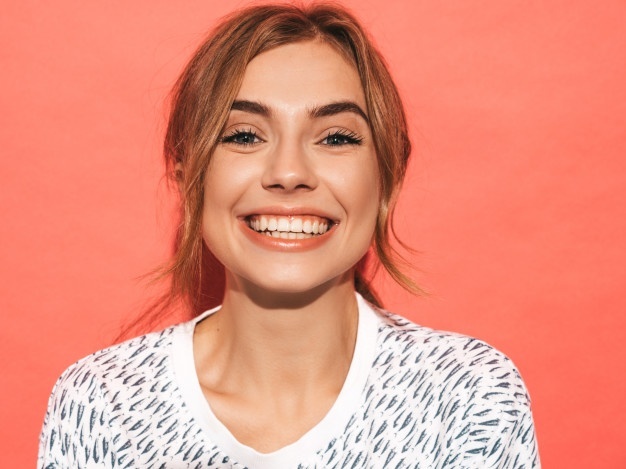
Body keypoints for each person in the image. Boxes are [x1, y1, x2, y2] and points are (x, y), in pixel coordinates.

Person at [38, 3, 540, 468]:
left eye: (336, 137)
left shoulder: (467, 398)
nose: (288, 172)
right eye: (244, 135)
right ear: (187, 175)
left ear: (387, 176)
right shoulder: (103, 407)